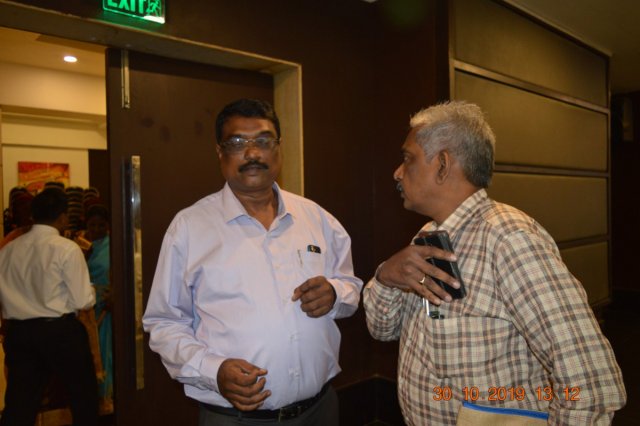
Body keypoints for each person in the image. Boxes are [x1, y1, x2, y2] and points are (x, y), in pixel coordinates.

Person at [363, 101, 626, 425]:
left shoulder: (508, 239)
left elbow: (589, 384)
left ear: (442, 165)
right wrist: (386, 277)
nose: (397, 172)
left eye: (408, 158)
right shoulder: (426, 237)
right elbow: (382, 329)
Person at [143, 98, 363, 426]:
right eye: (236, 143)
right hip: (235, 419)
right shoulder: (189, 228)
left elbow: (351, 288)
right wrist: (213, 370)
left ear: (278, 148)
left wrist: (335, 294)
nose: (252, 153)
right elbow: (164, 323)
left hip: (320, 410)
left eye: (263, 140)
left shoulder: (317, 218)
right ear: (219, 152)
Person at [0, 187, 98, 426]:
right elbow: (83, 301)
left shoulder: (8, 250)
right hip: (59, 332)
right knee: (82, 399)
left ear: (33, 215)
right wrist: (93, 290)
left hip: (19, 332)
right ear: (63, 217)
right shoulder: (67, 248)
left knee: (19, 404)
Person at [84, 203, 113, 415]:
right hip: (86, 310)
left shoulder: (112, 246)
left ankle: (107, 398)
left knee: (106, 352)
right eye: (92, 225)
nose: (96, 230)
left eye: (101, 225)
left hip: (107, 308)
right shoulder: (80, 247)